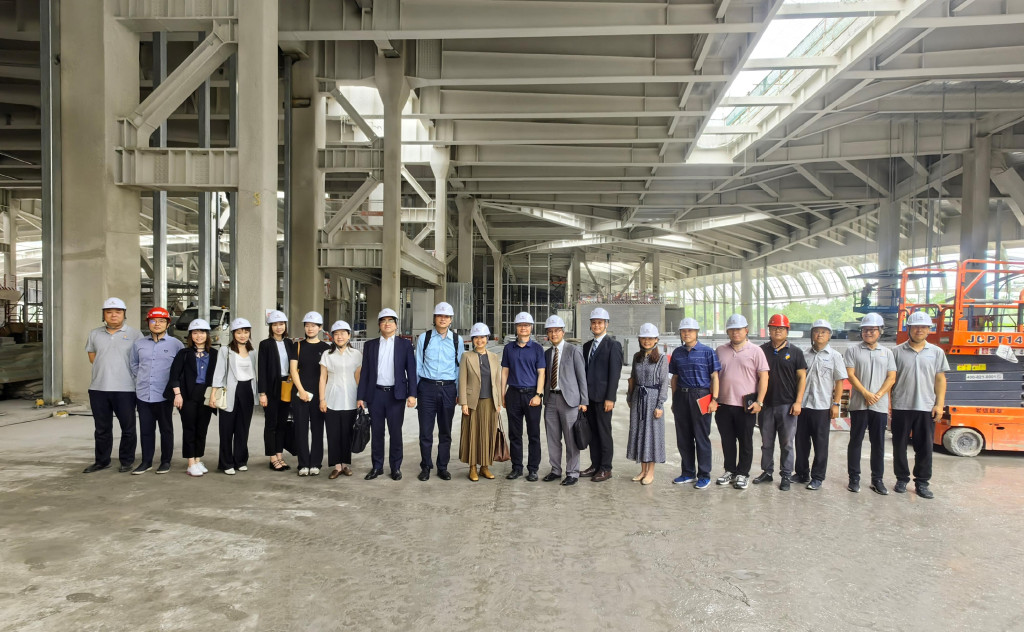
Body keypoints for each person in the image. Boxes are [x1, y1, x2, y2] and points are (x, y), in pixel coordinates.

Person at [890, 311, 948, 499]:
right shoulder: (896, 352)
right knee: (899, 446)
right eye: (916, 327)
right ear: (909, 328)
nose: (919, 330)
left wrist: (939, 405)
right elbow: (890, 379)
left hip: (926, 407)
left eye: (923, 327)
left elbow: (940, 379)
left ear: (929, 330)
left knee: (924, 447)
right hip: (901, 406)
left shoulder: (936, 352)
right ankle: (901, 479)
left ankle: (922, 482)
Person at [83, 297, 144, 474]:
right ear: (103, 315)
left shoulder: (135, 335)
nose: (113, 315)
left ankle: (126, 461)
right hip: (98, 388)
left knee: (128, 428)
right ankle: (102, 461)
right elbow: (92, 357)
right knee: (101, 428)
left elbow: (140, 360)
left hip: (126, 389)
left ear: (124, 314)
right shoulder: (95, 334)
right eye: (109, 312)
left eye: (118, 312)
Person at [356, 308, 417, 481]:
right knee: (377, 432)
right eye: (383, 321)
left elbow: (411, 371)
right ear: (379, 325)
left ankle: (395, 467)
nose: (387, 324)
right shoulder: (370, 345)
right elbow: (365, 373)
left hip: (396, 396)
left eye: (391, 321)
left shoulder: (404, 345)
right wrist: (361, 397)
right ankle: (377, 466)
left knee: (395, 433)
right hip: (375, 395)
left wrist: (412, 394)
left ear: (396, 325)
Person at [843, 312, 896, 495]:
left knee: (878, 444)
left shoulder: (887, 353)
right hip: (859, 404)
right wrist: (866, 393)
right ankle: (854, 479)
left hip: (879, 406)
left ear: (880, 331)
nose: (868, 333)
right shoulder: (853, 351)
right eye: (865, 329)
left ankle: (877, 480)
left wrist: (878, 395)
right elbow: (850, 375)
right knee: (855, 442)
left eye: (872, 329)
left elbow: (891, 377)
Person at [715, 314, 769, 490]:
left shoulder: (756, 351)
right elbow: (714, 377)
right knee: (727, 441)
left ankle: (743, 473)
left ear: (746, 330)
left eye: (738, 329)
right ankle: (730, 470)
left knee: (745, 441)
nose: (735, 332)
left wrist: (759, 402)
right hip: (723, 404)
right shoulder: (720, 351)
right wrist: (713, 399)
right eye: (731, 329)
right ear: (727, 332)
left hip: (746, 406)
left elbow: (764, 377)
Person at [754, 313, 807, 491]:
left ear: (787, 331)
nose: (778, 331)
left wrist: (798, 402)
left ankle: (786, 475)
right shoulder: (761, 351)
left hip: (787, 405)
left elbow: (802, 378)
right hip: (766, 405)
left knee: (787, 443)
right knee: (766, 442)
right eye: (774, 327)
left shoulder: (796, 352)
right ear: (769, 330)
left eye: (781, 328)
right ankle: (767, 472)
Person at [130, 307, 185, 474]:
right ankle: (146, 462)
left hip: (164, 395)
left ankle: (165, 461)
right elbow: (134, 365)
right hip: (143, 394)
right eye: (153, 320)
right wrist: (142, 379)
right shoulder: (139, 344)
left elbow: (181, 369)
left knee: (166, 429)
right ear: (148, 323)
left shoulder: (176, 344)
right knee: (146, 430)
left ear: (168, 324)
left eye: (161, 321)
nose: (157, 324)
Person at [414, 302, 464, 481]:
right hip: (426, 388)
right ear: (434, 318)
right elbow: (418, 365)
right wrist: (415, 392)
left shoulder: (457, 340)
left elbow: (459, 368)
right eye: (440, 316)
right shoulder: (424, 338)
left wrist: (458, 392)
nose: (443, 319)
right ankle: (426, 466)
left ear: (451, 320)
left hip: (448, 389)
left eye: (446, 316)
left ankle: (442, 467)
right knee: (425, 432)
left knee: (445, 431)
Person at [794, 319, 847, 490]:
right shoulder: (804, 354)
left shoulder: (835, 356)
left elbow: (839, 381)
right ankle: (802, 473)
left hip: (822, 406)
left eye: (823, 332)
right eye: (816, 331)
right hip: (803, 405)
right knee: (801, 442)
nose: (819, 335)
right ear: (812, 334)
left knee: (820, 444)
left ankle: (817, 477)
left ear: (829, 335)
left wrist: (836, 404)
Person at [668, 317, 720, 490]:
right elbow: (674, 378)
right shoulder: (677, 353)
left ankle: (704, 475)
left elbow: (715, 377)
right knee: (683, 437)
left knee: (701, 437)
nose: (686, 334)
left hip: (701, 396)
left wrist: (714, 400)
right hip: (681, 396)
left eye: (690, 330)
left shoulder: (707, 352)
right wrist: (674, 400)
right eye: (683, 331)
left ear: (697, 332)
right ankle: (688, 472)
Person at [167, 318, 219, 477]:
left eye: (202, 332)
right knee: (189, 428)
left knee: (202, 428)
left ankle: (197, 459)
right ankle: (190, 463)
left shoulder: (214, 354)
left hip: (206, 395)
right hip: (187, 395)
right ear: (190, 335)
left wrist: (214, 396)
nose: (199, 336)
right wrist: (177, 395)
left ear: (207, 335)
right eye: (195, 333)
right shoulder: (183, 353)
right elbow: (174, 376)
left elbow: (218, 377)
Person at [540, 315, 588, 486]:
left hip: (570, 401)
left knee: (571, 439)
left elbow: (582, 377)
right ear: (547, 334)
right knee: (552, 438)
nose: (554, 334)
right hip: (551, 399)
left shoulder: (573, 351)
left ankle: (572, 472)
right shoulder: (547, 354)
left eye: (557, 331)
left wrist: (584, 401)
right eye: (550, 331)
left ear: (563, 332)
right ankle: (555, 470)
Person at [500, 312, 547, 482]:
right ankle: (517, 468)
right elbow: (505, 372)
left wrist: (538, 394)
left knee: (533, 434)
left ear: (531, 328)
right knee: (515, 434)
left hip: (531, 395)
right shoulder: (508, 349)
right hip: (513, 394)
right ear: (516, 328)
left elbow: (541, 373)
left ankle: (533, 469)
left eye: (526, 325)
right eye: (520, 325)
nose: (523, 328)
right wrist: (502, 393)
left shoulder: (537, 349)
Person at [209, 318, 258, 475]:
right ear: (233, 334)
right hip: (229, 391)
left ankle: (240, 460)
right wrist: (213, 394)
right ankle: (226, 463)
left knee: (243, 428)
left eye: (246, 332)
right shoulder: (225, 350)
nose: (243, 335)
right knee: (226, 429)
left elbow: (255, 374)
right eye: (239, 332)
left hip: (247, 391)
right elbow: (218, 373)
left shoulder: (253, 351)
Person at [581, 308, 622, 482]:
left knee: (604, 433)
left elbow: (615, 374)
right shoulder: (587, 346)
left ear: (606, 324)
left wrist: (610, 398)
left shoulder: (613, 345)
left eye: (600, 322)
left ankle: (606, 468)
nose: (596, 325)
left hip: (603, 398)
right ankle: (595, 465)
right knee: (592, 434)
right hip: (589, 398)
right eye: (594, 322)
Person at [625, 323, 669, 485]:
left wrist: (660, 405)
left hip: (653, 399)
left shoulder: (661, 359)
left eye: (650, 338)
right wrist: (630, 398)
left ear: (656, 339)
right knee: (639, 433)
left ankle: (650, 472)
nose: (647, 341)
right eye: (644, 338)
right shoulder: (637, 357)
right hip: (638, 399)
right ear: (639, 339)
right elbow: (632, 378)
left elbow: (664, 383)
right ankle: (643, 470)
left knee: (652, 435)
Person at [457, 323, 502, 481]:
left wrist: (499, 402)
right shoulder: (466, 356)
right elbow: (462, 380)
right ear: (472, 339)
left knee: (488, 434)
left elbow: (497, 381)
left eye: (482, 337)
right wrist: (463, 403)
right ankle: (472, 468)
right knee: (473, 434)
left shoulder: (494, 357)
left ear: (487, 339)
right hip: (472, 402)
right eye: (476, 337)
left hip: (490, 401)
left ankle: (485, 467)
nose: (479, 340)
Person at [289, 311, 331, 477]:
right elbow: (293, 370)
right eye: (307, 325)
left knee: (317, 429)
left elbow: (327, 374)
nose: (310, 328)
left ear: (320, 328)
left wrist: (323, 397)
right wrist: (301, 391)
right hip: (300, 393)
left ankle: (315, 463)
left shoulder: (326, 348)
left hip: (319, 394)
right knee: (300, 429)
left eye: (314, 325)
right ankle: (303, 464)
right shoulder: (297, 346)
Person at [319, 320, 362, 480]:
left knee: (347, 433)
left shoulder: (356, 354)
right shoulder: (327, 355)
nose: (340, 337)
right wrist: (322, 399)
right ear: (332, 337)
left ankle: (345, 464)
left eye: (343, 333)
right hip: (331, 399)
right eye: (336, 334)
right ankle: (337, 467)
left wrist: (360, 398)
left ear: (349, 336)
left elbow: (358, 377)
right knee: (333, 434)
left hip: (350, 399)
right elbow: (322, 378)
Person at [257, 310, 295, 472]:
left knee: (282, 423)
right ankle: (272, 457)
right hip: (271, 388)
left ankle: (280, 455)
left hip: (286, 386)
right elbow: (262, 370)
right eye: (275, 325)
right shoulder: (265, 344)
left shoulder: (289, 343)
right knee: (271, 423)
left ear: (285, 325)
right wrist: (262, 393)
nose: (279, 327)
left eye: (281, 324)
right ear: (270, 327)